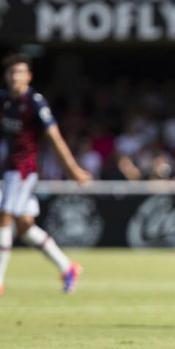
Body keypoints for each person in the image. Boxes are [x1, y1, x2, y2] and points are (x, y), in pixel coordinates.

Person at [0, 54, 91, 295]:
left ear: (29, 76)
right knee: (24, 226)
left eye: (20, 72)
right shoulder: (5, 101)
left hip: (23, 170)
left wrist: (73, 170)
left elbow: (55, 138)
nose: (15, 77)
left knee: (4, 216)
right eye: (11, 72)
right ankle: (67, 266)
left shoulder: (35, 103)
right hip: (8, 167)